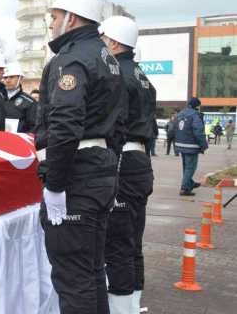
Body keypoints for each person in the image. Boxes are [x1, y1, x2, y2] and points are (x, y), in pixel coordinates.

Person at [35, 0, 123, 314]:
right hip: (98, 172)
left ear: (71, 18)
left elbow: (65, 125)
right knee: (92, 272)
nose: (51, 23)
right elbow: (119, 123)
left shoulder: (71, 59)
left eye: (55, 16)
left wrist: (56, 185)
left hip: (77, 178)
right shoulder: (107, 58)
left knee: (73, 279)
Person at [99, 16, 157, 314]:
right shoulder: (143, 77)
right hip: (140, 161)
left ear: (114, 42)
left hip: (123, 160)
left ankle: (121, 308)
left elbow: (114, 123)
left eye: (103, 38)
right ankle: (133, 304)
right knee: (133, 240)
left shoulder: (117, 75)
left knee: (118, 243)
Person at [174, 97, 208, 196]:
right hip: (191, 146)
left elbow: (174, 128)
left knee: (186, 167)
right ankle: (185, 188)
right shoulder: (195, 115)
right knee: (190, 168)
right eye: (199, 106)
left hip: (181, 145)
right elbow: (198, 132)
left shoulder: (180, 113)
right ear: (196, 106)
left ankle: (190, 184)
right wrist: (203, 145)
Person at [2, 61, 35, 133]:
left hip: (19, 142)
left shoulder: (30, 102)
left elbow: (34, 128)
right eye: (5, 77)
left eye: (11, 77)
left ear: (20, 78)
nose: (7, 80)